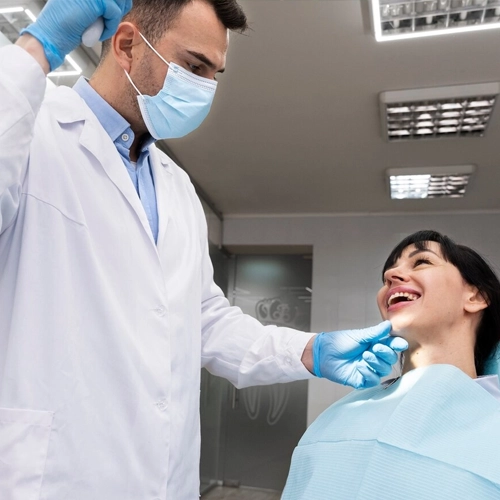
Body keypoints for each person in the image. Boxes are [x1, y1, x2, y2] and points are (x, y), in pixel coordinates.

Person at [0, 1, 407, 498]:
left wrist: (308, 351)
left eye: (214, 74)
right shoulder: (32, 135)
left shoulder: (176, 187)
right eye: (194, 66)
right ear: (127, 45)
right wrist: (37, 47)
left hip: (165, 478)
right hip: (54, 477)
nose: (205, 89)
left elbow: (206, 319)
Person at [282, 230, 500, 499]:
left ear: (475, 297)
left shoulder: (492, 424)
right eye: (389, 271)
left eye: (422, 261)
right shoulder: (341, 413)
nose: (390, 275)